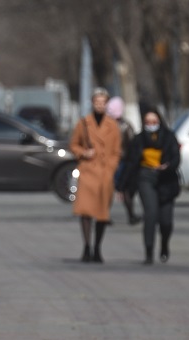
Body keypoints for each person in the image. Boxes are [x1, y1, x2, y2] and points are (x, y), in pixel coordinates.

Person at [117, 109, 181, 265]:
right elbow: (130, 163)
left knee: (166, 221)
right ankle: (149, 252)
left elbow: (176, 158)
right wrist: (121, 186)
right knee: (151, 214)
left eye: (154, 122)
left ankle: (164, 245)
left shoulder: (169, 137)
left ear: (159, 122)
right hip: (145, 177)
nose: (151, 125)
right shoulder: (138, 140)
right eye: (147, 122)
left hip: (166, 180)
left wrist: (167, 166)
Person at [70, 87, 121, 263]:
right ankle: (86, 246)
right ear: (92, 103)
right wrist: (84, 153)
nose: (99, 105)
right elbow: (74, 144)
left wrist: (111, 168)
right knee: (85, 211)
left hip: (105, 174)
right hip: (88, 171)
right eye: (97, 102)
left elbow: (116, 151)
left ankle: (97, 248)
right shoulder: (84, 123)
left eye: (103, 102)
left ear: (107, 104)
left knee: (102, 213)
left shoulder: (113, 125)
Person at [107, 96, 141, 226]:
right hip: (123, 161)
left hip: (110, 161)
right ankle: (131, 215)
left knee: (109, 189)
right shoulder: (126, 125)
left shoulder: (106, 125)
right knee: (124, 188)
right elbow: (132, 143)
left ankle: (105, 216)